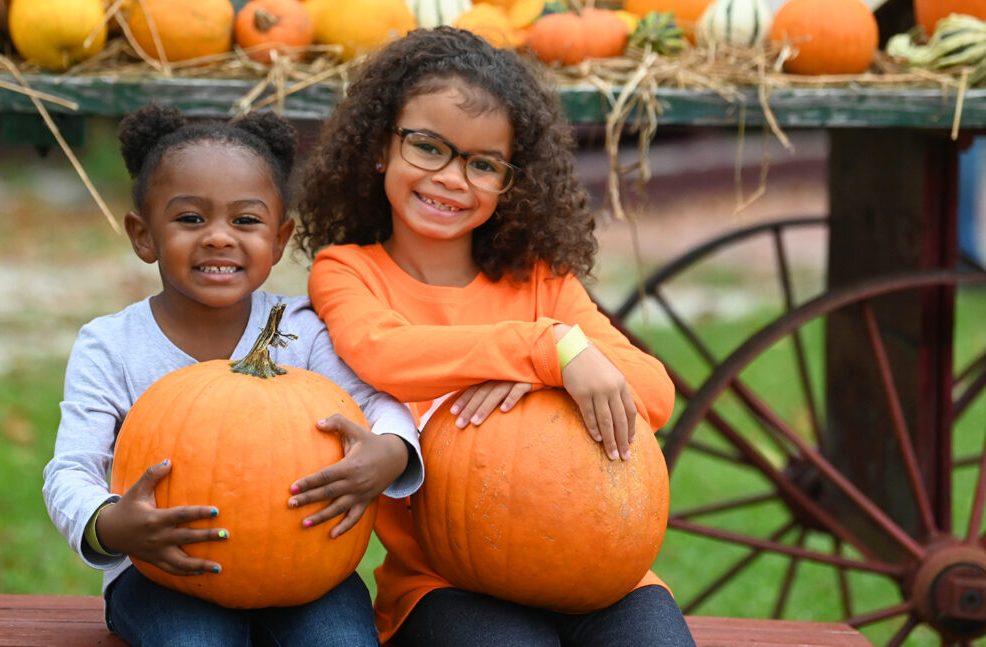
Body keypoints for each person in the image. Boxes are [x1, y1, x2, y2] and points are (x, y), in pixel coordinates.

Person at [295, 26, 695, 647]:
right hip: (444, 581)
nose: (452, 178)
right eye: (428, 147)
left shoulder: (542, 283)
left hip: (599, 572)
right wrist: (546, 353)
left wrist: (545, 361)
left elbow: (653, 394)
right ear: (381, 147)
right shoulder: (350, 271)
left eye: (484, 164)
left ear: (516, 180)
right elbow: (385, 353)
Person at [43, 103, 423, 647]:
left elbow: (372, 399)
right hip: (162, 572)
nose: (219, 237)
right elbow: (72, 468)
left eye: (245, 220)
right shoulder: (111, 345)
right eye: (190, 219)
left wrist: (389, 450)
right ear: (143, 235)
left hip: (308, 566)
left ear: (279, 238)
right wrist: (112, 523)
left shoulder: (301, 329)